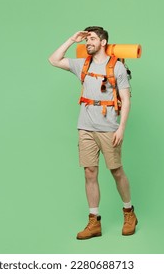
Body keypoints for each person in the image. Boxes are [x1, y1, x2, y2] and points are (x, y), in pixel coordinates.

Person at [48, 26, 138, 239]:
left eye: (92, 39)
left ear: (103, 42)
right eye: (86, 39)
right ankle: (94, 221)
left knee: (116, 171)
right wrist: (72, 39)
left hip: (108, 128)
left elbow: (126, 100)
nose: (88, 42)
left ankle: (129, 213)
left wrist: (121, 128)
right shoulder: (82, 64)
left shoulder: (117, 67)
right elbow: (53, 59)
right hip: (85, 127)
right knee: (90, 172)